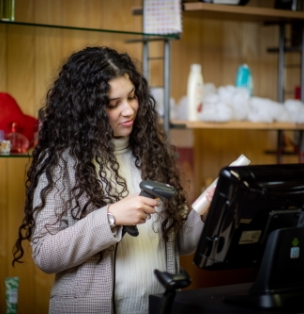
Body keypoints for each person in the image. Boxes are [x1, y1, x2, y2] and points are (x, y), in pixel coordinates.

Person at [12, 46, 207, 314]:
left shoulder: (152, 155)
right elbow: (45, 254)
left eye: (132, 97)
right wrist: (110, 217)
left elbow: (183, 243)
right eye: (113, 104)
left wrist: (211, 203)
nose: (129, 110)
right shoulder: (63, 161)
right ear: (87, 109)